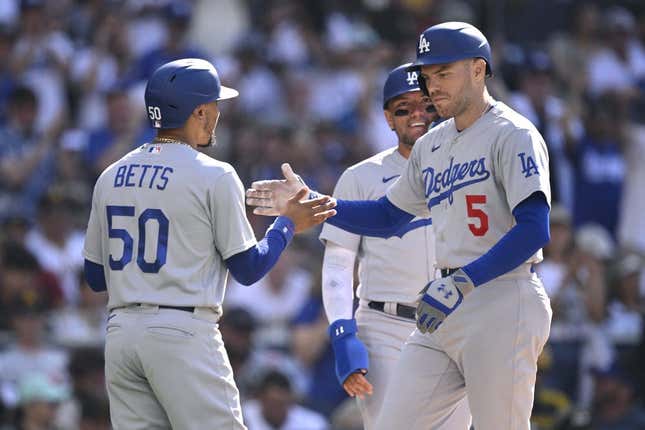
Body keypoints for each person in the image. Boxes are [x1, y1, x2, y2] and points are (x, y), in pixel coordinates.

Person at [246, 22, 552, 430]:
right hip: (441, 309)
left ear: (479, 70)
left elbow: (534, 228)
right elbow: (388, 216)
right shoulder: (432, 144)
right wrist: (317, 205)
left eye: (444, 73)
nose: (433, 86)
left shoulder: (512, 133)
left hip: (501, 297)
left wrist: (463, 281)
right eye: (428, 76)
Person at [82, 58, 336, 430]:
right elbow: (248, 269)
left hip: (121, 333)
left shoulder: (110, 174)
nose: (218, 113)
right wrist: (286, 225)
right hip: (182, 330)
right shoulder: (214, 174)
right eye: (215, 105)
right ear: (199, 111)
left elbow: (94, 277)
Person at [318, 63, 470, 429]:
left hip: (456, 322)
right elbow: (339, 262)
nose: (417, 115)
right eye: (404, 108)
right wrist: (342, 331)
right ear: (388, 118)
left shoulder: (469, 168)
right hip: (385, 325)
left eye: (426, 105)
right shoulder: (361, 176)